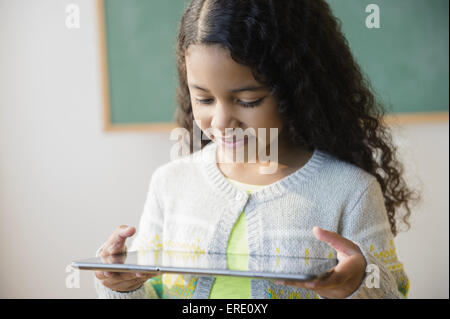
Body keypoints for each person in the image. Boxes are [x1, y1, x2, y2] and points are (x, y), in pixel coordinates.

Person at [94, 0, 419, 299]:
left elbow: (392, 290)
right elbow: (151, 290)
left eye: (248, 100)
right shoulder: (170, 183)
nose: (220, 122)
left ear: (297, 88)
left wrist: (358, 285)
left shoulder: (351, 191)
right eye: (204, 99)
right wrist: (121, 286)